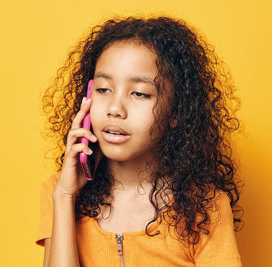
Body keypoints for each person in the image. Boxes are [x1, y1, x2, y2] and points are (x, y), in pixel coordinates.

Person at [36, 15, 244, 267]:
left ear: (177, 112)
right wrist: (65, 196)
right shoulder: (59, 192)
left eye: (139, 93)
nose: (115, 108)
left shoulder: (205, 206)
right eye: (103, 89)